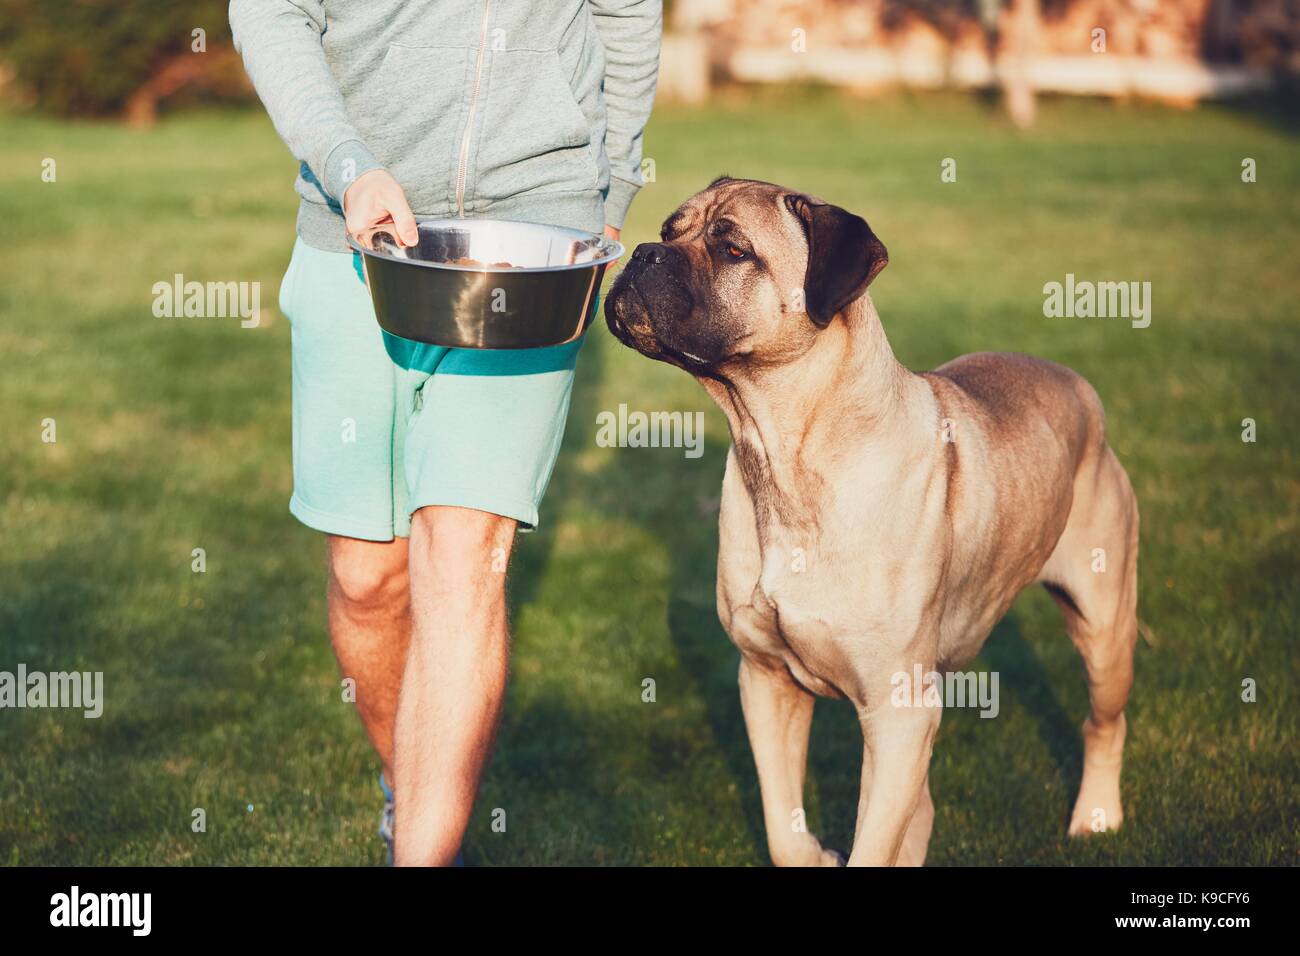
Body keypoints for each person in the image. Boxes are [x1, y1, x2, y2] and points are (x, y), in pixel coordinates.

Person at [229, 0, 661, 866]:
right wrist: (350, 164)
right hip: (354, 226)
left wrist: (608, 192)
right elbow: (271, 13)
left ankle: (423, 853)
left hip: (534, 233)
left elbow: (626, 13)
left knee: (462, 556)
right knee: (366, 579)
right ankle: (413, 790)